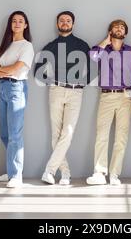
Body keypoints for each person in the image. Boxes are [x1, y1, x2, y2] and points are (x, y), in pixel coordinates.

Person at [34, 11, 91, 185]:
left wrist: (82, 83)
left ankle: (49, 170)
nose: (65, 23)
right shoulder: (50, 46)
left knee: (68, 132)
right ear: (57, 24)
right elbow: (38, 70)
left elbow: (93, 68)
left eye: (68, 21)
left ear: (73, 24)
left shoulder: (82, 45)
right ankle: (65, 173)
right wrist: (52, 82)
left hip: (75, 92)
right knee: (56, 134)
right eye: (62, 21)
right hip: (56, 90)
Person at [86, 20, 131, 186]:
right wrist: (105, 42)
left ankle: (114, 174)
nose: (119, 29)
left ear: (125, 33)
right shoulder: (102, 49)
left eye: (122, 27)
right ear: (110, 31)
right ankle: (99, 173)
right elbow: (92, 56)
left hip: (126, 98)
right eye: (116, 26)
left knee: (121, 138)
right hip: (107, 96)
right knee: (102, 135)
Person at [0, 11, 34, 188]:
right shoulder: (4, 46)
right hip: (2, 88)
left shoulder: (27, 46)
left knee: (15, 133)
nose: (16, 23)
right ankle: (10, 171)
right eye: (14, 21)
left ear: (25, 25)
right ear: (10, 24)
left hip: (17, 88)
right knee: (5, 134)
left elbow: (16, 70)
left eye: (20, 21)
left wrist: (0, 68)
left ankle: (17, 175)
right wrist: (1, 70)